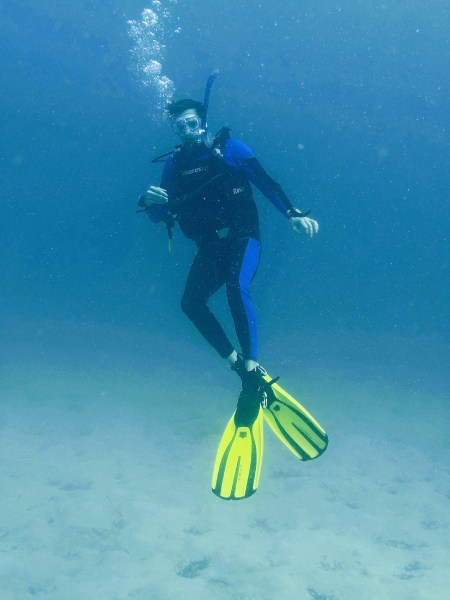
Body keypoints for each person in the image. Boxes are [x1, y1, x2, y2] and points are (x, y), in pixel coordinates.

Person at [139, 94, 322, 500]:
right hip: (210, 248)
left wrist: (292, 214)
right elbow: (162, 211)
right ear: (174, 131)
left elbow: (266, 181)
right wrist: (147, 203)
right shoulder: (173, 166)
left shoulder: (230, 148)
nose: (186, 131)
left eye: (192, 123)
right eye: (179, 126)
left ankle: (252, 372)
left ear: (203, 123)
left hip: (243, 239)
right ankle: (242, 369)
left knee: (238, 289)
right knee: (190, 304)